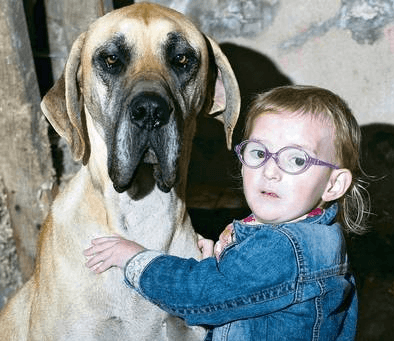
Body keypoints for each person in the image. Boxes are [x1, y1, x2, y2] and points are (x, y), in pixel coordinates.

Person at [84, 85, 369, 341]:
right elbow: (243, 294)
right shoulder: (316, 236)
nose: (270, 171)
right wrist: (221, 265)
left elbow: (198, 296)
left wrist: (134, 259)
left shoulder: (284, 247)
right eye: (259, 153)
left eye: (296, 159)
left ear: (333, 185)